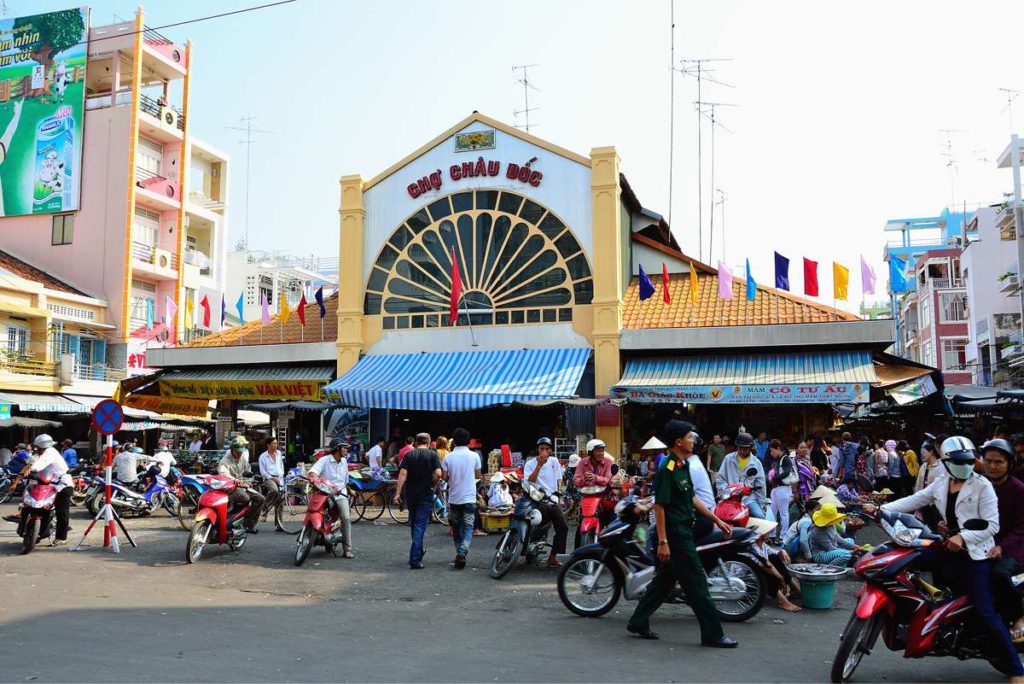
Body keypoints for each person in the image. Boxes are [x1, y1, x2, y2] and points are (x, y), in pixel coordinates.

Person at [865, 436, 1023, 679]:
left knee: (985, 610)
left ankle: (1016, 669)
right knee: (903, 558)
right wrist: (882, 509)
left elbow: (992, 526)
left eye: (969, 461)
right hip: (946, 545)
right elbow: (915, 500)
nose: (966, 465)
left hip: (974, 555)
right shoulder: (941, 483)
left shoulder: (982, 485)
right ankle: (914, 613)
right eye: (959, 462)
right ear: (947, 462)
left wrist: (963, 537)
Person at [627, 419, 737, 647]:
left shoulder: (683, 465)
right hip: (676, 535)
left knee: (664, 582)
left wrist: (717, 519)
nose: (693, 440)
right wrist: (663, 541)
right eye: (689, 437)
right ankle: (713, 634)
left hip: (684, 529)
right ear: (678, 442)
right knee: (697, 582)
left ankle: (638, 621)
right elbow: (660, 506)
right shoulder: (666, 468)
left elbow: (692, 498)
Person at [980, 439, 1024, 641]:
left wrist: (1001, 546)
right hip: (983, 544)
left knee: (999, 573)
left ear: (1009, 464)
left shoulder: (1018, 489)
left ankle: (1019, 616)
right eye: (988, 461)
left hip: (1015, 547)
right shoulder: (979, 485)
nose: (992, 466)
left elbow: (1021, 527)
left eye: (998, 462)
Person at [392, 433, 441, 569]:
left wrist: (397, 493)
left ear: (416, 442)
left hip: (411, 493)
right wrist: (434, 483)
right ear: (429, 441)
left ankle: (417, 551)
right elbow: (438, 473)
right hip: (425, 493)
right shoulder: (432, 455)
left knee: (414, 523)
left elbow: (402, 473)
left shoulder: (409, 455)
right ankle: (415, 559)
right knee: (420, 525)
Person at [17, 434, 73, 546]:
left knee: (61, 511)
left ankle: (61, 537)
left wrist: (31, 468)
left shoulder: (50, 452)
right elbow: (34, 462)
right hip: (49, 484)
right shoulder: (41, 454)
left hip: (63, 484)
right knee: (42, 506)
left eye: (38, 447)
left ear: (42, 446)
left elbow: (39, 465)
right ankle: (38, 532)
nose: (37, 449)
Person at [523, 436, 569, 568]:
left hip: (551, 499)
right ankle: (525, 547)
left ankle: (553, 557)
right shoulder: (530, 463)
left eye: (546, 449)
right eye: (541, 448)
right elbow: (529, 481)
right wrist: (539, 465)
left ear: (550, 450)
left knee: (563, 527)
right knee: (533, 524)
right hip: (536, 498)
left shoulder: (554, 462)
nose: (544, 451)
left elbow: (557, 481)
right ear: (538, 449)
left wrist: (558, 498)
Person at [441, 427, 481, 569]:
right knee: (469, 526)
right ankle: (462, 552)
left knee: (456, 527)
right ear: (468, 441)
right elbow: (478, 476)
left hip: (454, 497)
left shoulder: (448, 457)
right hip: (469, 496)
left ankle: (460, 551)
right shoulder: (474, 456)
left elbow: (444, 477)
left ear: (454, 441)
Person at [308, 439, 354, 558]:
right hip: (325, 493)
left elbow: (345, 481)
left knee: (346, 517)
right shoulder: (324, 460)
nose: (346, 450)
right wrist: (313, 477)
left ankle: (347, 548)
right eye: (344, 448)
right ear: (337, 449)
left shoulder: (344, 462)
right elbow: (313, 472)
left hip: (340, 494)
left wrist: (349, 490)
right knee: (315, 509)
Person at [749, 517, 801, 612]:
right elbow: (766, 565)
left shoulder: (762, 545)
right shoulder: (751, 547)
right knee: (762, 571)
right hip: (748, 582)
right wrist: (780, 578)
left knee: (775, 558)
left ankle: (795, 590)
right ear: (760, 534)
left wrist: (782, 551)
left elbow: (775, 553)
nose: (769, 533)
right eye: (767, 531)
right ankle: (782, 601)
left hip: (757, 578)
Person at [716, 431, 771, 520]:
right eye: (739, 448)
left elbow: (760, 485)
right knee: (718, 517)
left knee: (760, 517)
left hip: (748, 499)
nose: (741, 451)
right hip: (730, 499)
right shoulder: (728, 459)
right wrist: (727, 491)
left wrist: (761, 504)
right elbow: (720, 479)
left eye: (745, 449)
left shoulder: (756, 463)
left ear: (750, 448)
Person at [217, 436, 263, 534]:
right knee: (244, 497)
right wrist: (235, 480)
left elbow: (247, 470)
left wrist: (251, 478)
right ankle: (229, 510)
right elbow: (224, 474)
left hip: (242, 486)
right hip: (230, 487)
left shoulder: (242, 458)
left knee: (260, 499)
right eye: (237, 452)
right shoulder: (225, 461)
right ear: (232, 449)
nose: (239, 454)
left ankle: (249, 524)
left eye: (241, 452)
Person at [258, 437, 285, 511]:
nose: (276, 445)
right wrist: (273, 478)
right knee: (274, 490)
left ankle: (278, 522)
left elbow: (281, 465)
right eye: (273, 443)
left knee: (280, 502)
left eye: (276, 443)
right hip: (269, 478)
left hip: (279, 478)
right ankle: (265, 505)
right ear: (268, 445)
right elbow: (263, 472)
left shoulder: (279, 453)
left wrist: (281, 474)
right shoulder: (262, 457)